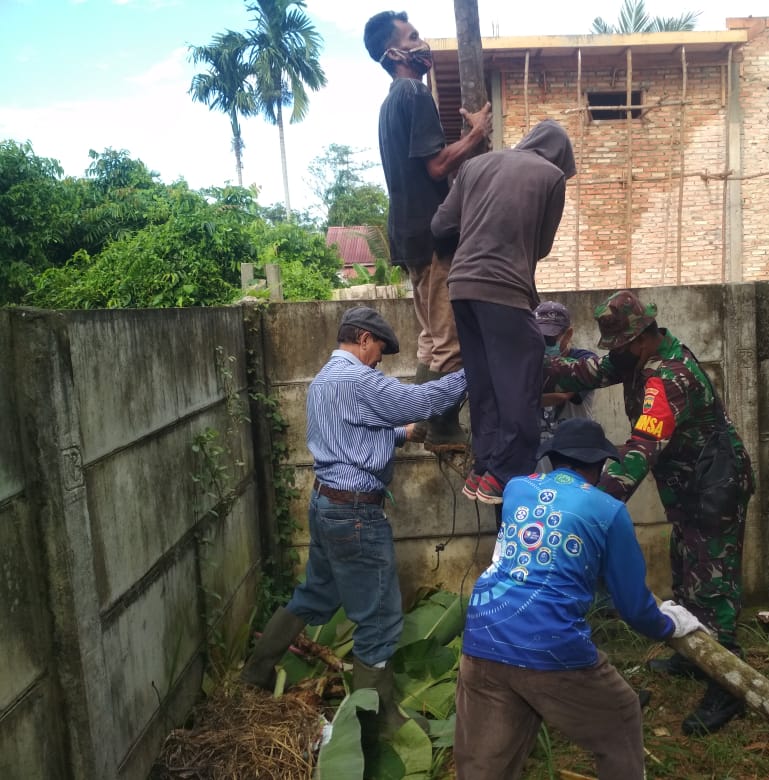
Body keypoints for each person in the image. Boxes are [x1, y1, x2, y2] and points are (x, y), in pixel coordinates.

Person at [240, 306, 467, 737]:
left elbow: (353, 433)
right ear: (363, 338)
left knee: (314, 594)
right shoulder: (357, 380)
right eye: (379, 349)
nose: (380, 359)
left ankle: (256, 671)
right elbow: (422, 400)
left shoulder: (325, 381)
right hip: (356, 514)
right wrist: (475, 371)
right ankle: (379, 720)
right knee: (379, 618)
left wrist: (404, 433)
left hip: (327, 505)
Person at [543, 289, 756, 736]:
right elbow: (590, 370)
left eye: (619, 347)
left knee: (713, 579)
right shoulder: (636, 358)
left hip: (714, 483)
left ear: (640, 338)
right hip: (689, 481)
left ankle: (729, 685)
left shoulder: (667, 378)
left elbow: (640, 449)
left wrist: (593, 506)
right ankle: (696, 654)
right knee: (686, 565)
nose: (613, 356)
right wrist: (534, 366)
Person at [454, 418, 705, 780]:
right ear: (601, 464)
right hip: (549, 645)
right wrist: (670, 623)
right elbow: (634, 607)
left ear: (552, 458)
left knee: (485, 764)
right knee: (620, 716)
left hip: (483, 635)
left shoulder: (516, 489)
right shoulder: (609, 511)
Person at [363, 10, 491, 450]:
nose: (422, 43)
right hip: (434, 235)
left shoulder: (387, 103)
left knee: (430, 337)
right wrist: (477, 135)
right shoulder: (415, 94)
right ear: (394, 52)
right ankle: (441, 426)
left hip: (408, 236)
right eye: (413, 37)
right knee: (450, 338)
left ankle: (420, 421)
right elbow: (436, 165)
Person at [430, 119, 576, 504]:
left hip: (460, 288)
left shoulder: (475, 165)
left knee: (486, 381)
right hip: (504, 289)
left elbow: (440, 224)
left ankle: (484, 469)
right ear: (560, 156)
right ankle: (507, 471)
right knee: (521, 377)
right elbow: (541, 247)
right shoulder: (552, 177)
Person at [534, 300, 597, 473]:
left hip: (578, 462)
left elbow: (564, 394)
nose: (545, 344)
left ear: (568, 334)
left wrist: (523, 397)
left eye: (551, 338)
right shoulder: (530, 362)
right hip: (539, 466)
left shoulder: (583, 361)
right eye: (540, 338)